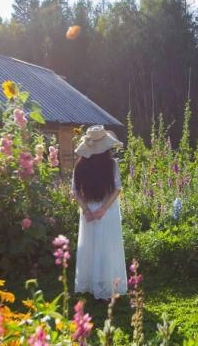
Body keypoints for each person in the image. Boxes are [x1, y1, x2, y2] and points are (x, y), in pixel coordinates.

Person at [72, 125, 127, 300]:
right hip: (107, 211)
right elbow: (117, 189)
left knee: (90, 247)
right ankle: (106, 286)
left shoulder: (79, 166)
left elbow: (75, 191)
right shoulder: (111, 164)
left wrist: (87, 210)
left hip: (89, 211)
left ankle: (90, 284)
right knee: (107, 248)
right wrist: (103, 208)